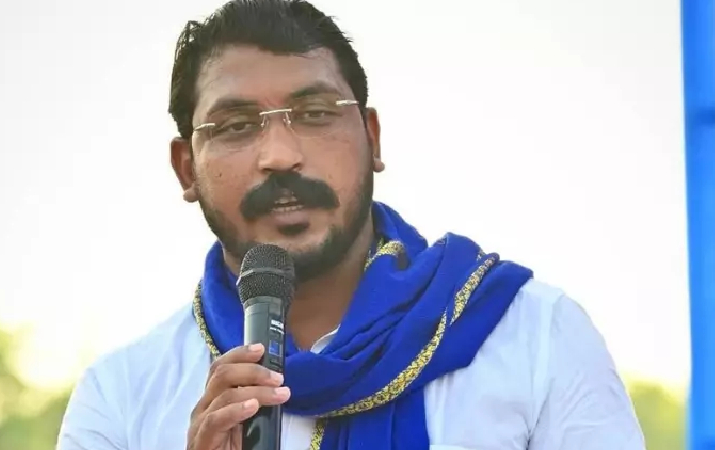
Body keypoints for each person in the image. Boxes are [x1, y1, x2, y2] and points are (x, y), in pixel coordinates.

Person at [56, 0, 645, 449]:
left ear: (372, 139)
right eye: (236, 125)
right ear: (186, 168)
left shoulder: (531, 336)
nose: (280, 155)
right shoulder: (123, 395)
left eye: (315, 114)